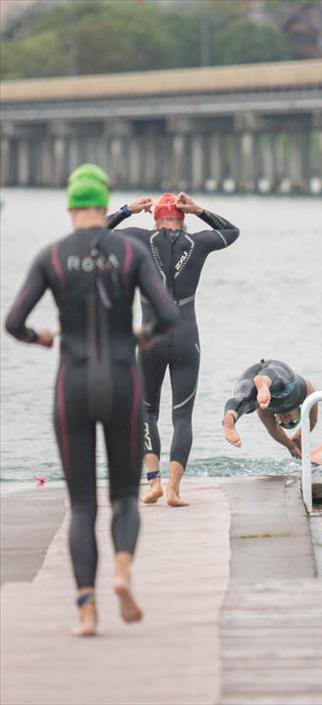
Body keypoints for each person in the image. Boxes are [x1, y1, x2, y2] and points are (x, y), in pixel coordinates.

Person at [4, 164, 178, 637]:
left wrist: (41, 338)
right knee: (125, 499)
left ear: (70, 206)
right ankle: (122, 571)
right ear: (103, 206)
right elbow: (166, 315)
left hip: (73, 387)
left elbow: (13, 321)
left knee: (82, 507)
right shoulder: (130, 252)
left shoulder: (52, 257)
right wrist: (142, 335)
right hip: (122, 382)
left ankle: (86, 609)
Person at [107, 193, 239, 507]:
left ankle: (153, 482)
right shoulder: (199, 243)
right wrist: (200, 210)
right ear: (183, 217)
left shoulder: (137, 239)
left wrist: (127, 210)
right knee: (182, 418)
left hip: (151, 340)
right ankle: (174, 491)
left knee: (145, 411)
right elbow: (232, 231)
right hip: (186, 339)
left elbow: (94, 234)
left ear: (154, 217)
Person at [222, 359, 318, 457]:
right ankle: (264, 381)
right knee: (285, 387)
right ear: (300, 411)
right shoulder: (303, 393)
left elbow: (273, 430)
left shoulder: (265, 407)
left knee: (246, 400)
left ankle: (231, 418)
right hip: (277, 371)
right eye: (292, 422)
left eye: (282, 423)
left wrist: (291, 446)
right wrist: (299, 436)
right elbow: (313, 420)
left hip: (249, 376)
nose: (285, 421)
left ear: (276, 418)